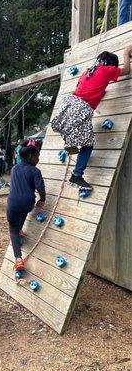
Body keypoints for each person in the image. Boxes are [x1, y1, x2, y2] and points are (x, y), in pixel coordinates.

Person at [51, 46, 132, 189]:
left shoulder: (88, 72)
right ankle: (76, 176)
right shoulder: (107, 70)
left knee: (70, 130)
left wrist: (99, 93)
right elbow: (126, 70)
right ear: (111, 64)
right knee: (88, 144)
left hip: (70, 103)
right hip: (82, 108)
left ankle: (71, 145)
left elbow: (83, 88)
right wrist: (126, 53)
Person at [7, 143, 46, 272]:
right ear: (30, 156)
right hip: (28, 204)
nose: (38, 159)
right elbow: (40, 187)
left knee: (12, 229)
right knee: (23, 211)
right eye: (37, 156)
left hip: (12, 203)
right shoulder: (35, 171)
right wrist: (42, 199)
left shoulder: (14, 169)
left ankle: (18, 259)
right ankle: (20, 230)